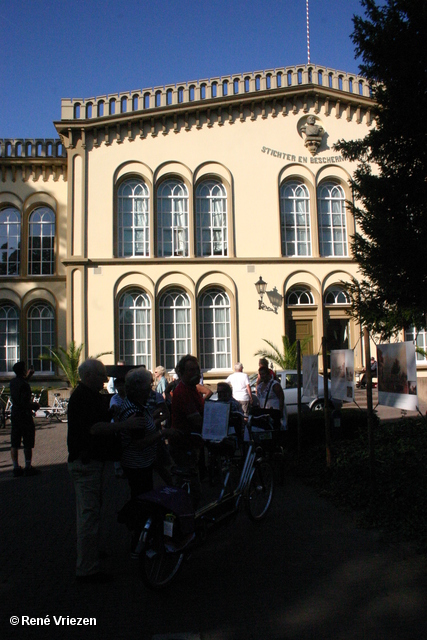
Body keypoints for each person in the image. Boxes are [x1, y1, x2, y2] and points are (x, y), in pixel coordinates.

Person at [67, 358, 144, 584]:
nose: (105, 380)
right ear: (89, 376)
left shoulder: (87, 395)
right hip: (86, 461)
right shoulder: (83, 397)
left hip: (90, 461)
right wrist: (124, 425)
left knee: (91, 511)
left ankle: (90, 553)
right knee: (88, 514)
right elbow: (94, 428)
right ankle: (86, 568)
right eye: (101, 375)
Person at [170, 355, 205, 506]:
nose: (196, 373)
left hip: (191, 442)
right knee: (189, 486)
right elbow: (196, 419)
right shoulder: (183, 391)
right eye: (191, 370)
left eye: (197, 369)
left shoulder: (193, 389)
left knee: (192, 479)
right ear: (182, 373)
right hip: (183, 444)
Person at [10, 361, 40, 477]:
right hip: (24, 415)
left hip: (15, 414)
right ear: (22, 371)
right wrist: (34, 406)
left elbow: (20, 385)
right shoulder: (24, 385)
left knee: (15, 441)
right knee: (27, 441)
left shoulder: (13, 382)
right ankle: (28, 466)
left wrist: (28, 376)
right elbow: (24, 402)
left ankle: (16, 467)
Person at [256, 365, 286, 430]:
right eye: (260, 374)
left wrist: (280, 411)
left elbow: (281, 397)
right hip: (264, 415)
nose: (262, 376)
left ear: (268, 374)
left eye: (263, 374)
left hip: (274, 414)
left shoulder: (274, 385)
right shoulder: (260, 386)